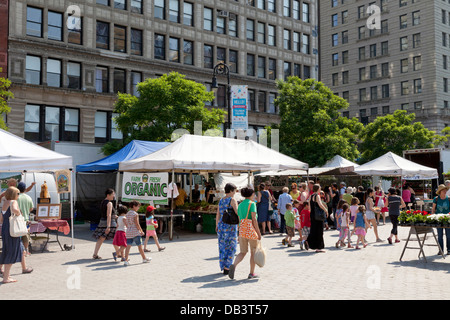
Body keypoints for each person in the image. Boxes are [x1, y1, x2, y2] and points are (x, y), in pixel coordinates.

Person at [0, 187, 33, 283]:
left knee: (7, 250)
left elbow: (1, 219)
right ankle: (6, 277)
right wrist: (18, 213)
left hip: (6, 229)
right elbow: (15, 210)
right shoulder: (13, 202)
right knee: (11, 252)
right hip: (12, 230)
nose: (19, 195)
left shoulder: (4, 203)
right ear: (14, 194)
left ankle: (7, 275)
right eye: (18, 194)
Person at [228, 187, 262, 280]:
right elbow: (254, 219)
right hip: (251, 230)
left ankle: (234, 265)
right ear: (251, 194)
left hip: (242, 230)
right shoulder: (252, 204)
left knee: (242, 252)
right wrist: (259, 233)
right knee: (253, 252)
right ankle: (251, 273)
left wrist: (239, 233)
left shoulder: (240, 204)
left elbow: (239, 220)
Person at [215, 183, 239, 275]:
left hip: (221, 226)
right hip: (230, 227)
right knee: (232, 247)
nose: (235, 193)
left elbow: (218, 214)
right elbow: (237, 213)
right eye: (234, 191)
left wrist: (217, 225)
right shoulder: (232, 200)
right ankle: (227, 267)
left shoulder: (221, 200)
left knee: (222, 247)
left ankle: (223, 265)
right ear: (231, 191)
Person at [124, 200, 151, 266]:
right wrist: (141, 231)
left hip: (129, 231)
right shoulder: (135, 214)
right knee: (139, 246)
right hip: (135, 232)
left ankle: (126, 260)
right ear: (134, 206)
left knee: (128, 246)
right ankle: (144, 258)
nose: (138, 208)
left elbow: (126, 223)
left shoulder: (127, 213)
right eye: (138, 206)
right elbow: (137, 224)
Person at [92, 188, 117, 260]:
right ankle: (119, 253)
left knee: (101, 239)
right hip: (110, 223)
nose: (114, 196)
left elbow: (107, 213)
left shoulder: (103, 202)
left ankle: (95, 254)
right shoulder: (109, 203)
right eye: (113, 194)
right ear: (108, 195)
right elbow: (108, 215)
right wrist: (108, 226)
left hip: (102, 222)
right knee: (115, 238)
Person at [305, 184, 329, 253]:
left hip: (312, 215)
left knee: (313, 230)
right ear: (318, 189)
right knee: (319, 231)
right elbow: (320, 204)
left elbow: (309, 207)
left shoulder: (311, 196)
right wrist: (326, 210)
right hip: (318, 215)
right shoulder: (317, 196)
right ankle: (319, 247)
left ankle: (308, 241)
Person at [432, 184, 450, 255]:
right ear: (440, 191)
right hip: (438, 219)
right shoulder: (436, 199)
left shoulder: (449, 198)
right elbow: (433, 210)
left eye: (445, 189)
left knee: (448, 235)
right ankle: (441, 250)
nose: (445, 191)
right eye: (443, 190)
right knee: (440, 235)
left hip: (447, 219)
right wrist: (432, 217)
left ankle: (449, 250)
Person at [17, 182, 34, 256]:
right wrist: (26, 210)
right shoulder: (28, 197)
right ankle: (26, 251)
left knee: (17, 235)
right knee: (26, 236)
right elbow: (31, 208)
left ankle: (18, 251)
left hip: (17, 220)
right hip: (26, 220)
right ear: (24, 189)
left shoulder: (16, 197)